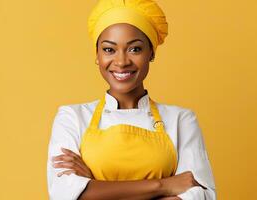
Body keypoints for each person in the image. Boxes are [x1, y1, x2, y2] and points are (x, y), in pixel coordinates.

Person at [46, 0, 216, 199]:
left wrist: (94, 187)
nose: (121, 62)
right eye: (109, 49)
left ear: (151, 53)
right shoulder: (72, 117)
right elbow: (63, 194)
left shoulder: (182, 120)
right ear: (97, 55)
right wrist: (162, 186)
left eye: (134, 49)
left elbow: (202, 195)